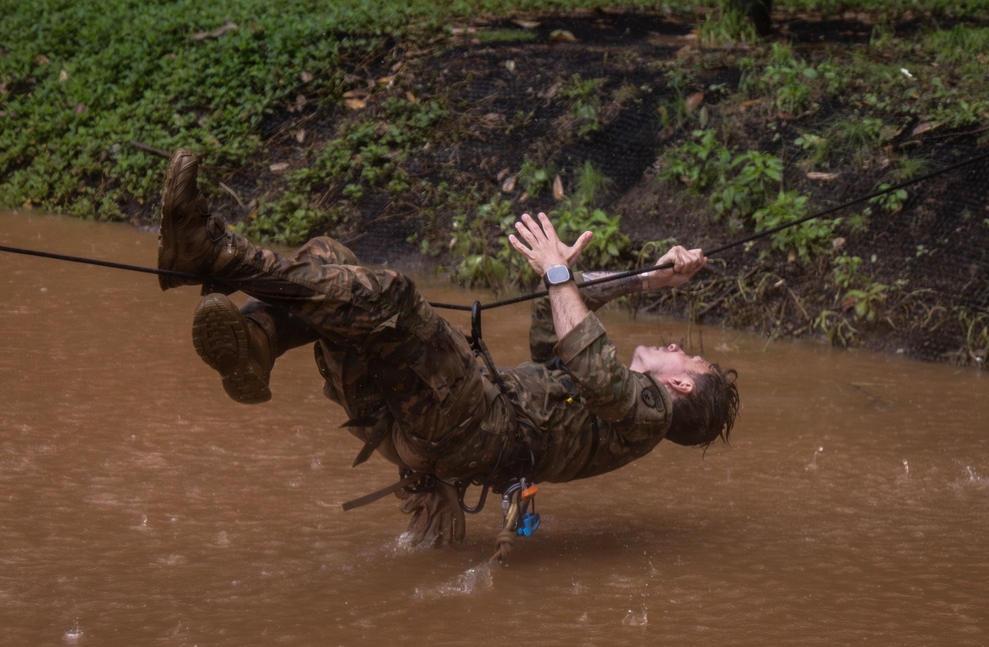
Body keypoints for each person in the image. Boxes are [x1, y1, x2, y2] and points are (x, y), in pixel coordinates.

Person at [157, 148, 740, 551]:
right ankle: (258, 343)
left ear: (682, 385)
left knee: (393, 298)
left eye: (686, 356)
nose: (674, 344)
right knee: (331, 258)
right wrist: (648, 278)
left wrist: (559, 272)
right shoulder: (612, 409)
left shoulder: (649, 416)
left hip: (468, 423)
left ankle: (211, 250)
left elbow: (587, 350)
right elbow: (555, 320)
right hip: (424, 430)